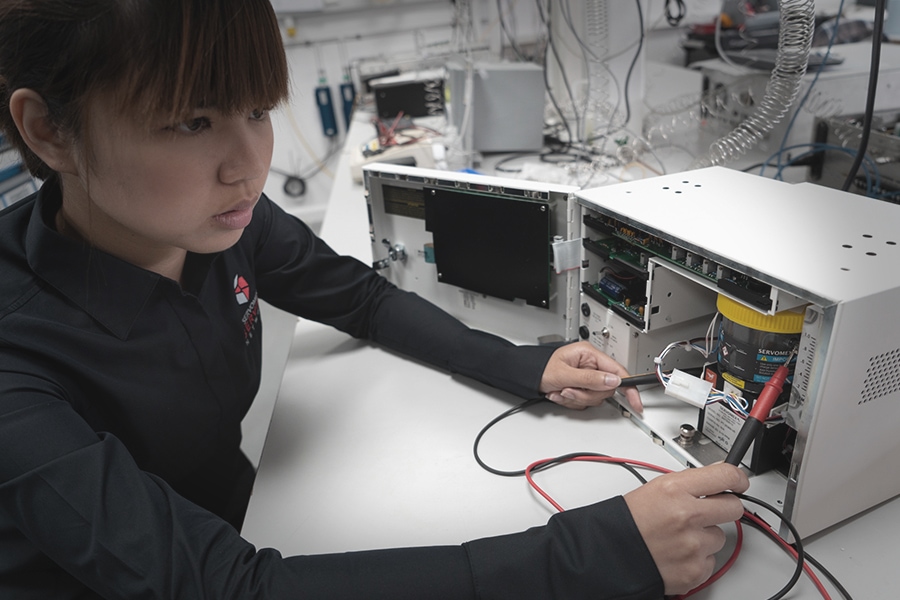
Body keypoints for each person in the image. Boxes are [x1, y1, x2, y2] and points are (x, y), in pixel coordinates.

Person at [0, 1, 749, 599]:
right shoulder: (17, 359)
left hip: (240, 521)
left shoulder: (223, 224)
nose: (248, 166)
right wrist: (593, 556)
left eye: (258, 110)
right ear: (48, 131)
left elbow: (358, 298)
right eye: (192, 122)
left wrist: (523, 365)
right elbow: (214, 586)